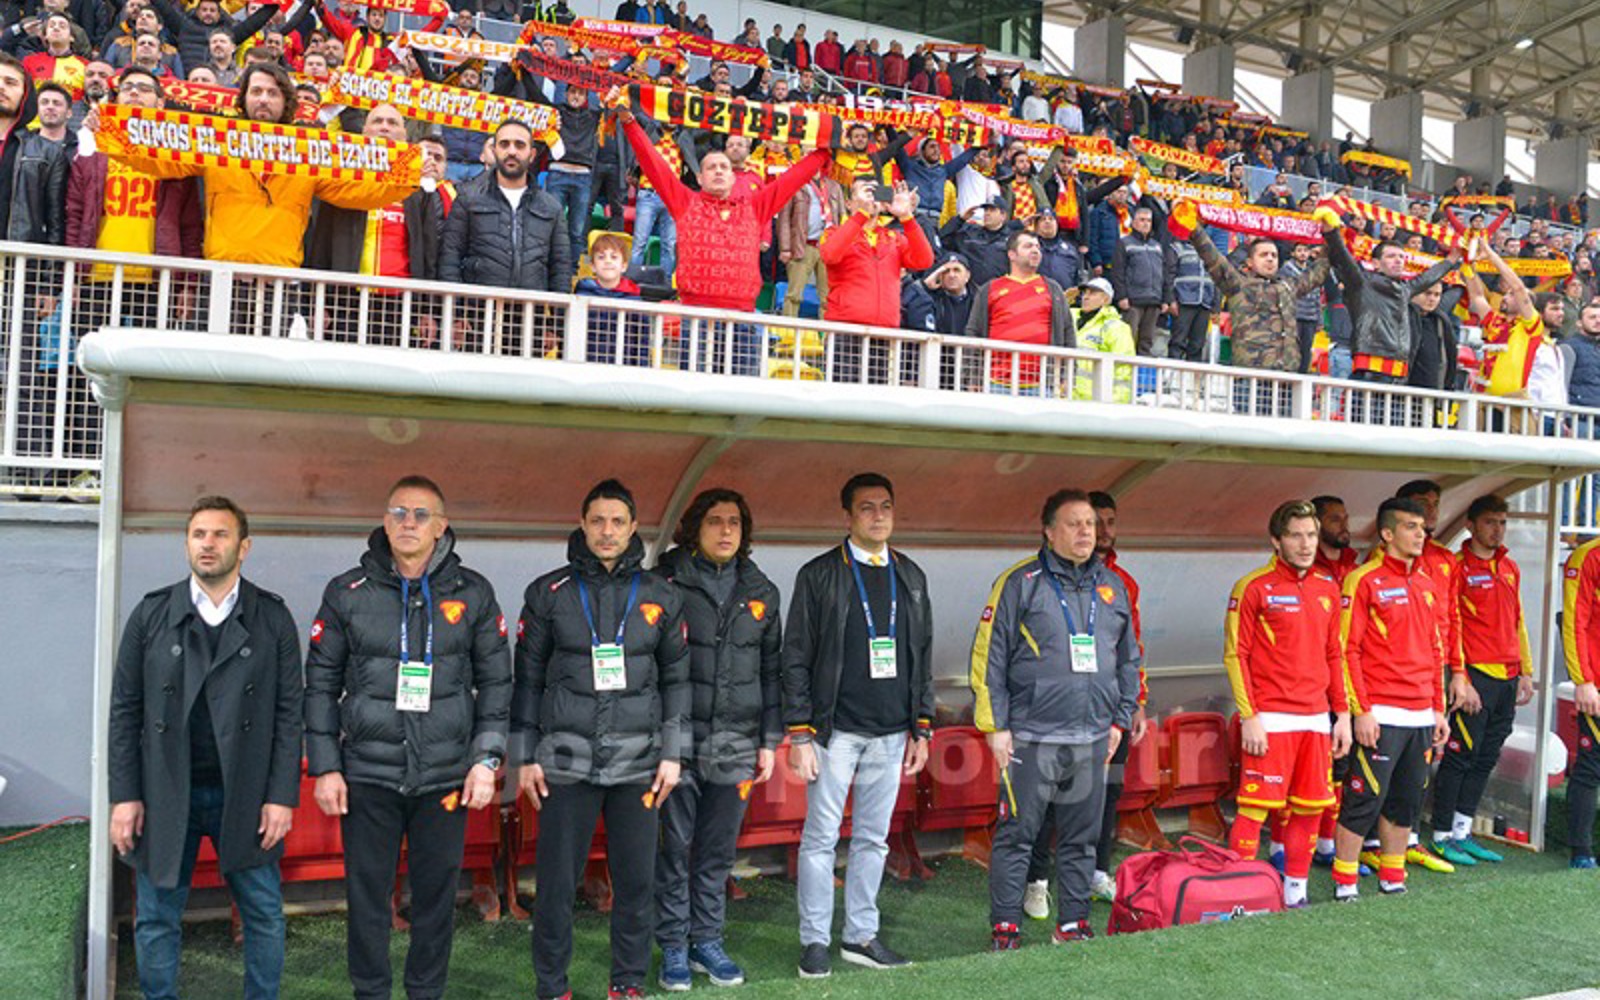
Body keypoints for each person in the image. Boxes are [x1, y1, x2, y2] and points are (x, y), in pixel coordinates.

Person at [304, 475, 511, 1000]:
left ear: (441, 526)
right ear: (384, 520)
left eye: (421, 514)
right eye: (398, 512)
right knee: (367, 897)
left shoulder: (473, 592)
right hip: (367, 775)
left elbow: (496, 683)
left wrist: (486, 759)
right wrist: (325, 766)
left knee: (436, 899)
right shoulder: (346, 592)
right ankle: (370, 992)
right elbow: (320, 684)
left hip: (444, 777)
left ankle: (425, 991)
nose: (408, 523)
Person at [108, 496, 302, 1000]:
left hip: (245, 792)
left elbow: (289, 714)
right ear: (186, 544)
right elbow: (125, 711)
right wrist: (124, 795)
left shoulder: (272, 618)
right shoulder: (152, 614)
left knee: (263, 913)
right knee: (156, 917)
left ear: (244, 546)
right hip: (165, 791)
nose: (208, 544)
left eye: (220, 534)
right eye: (198, 534)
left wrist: (281, 796)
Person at [515, 479, 690, 1000]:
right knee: (556, 884)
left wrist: (673, 753)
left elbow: (677, 680)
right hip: (565, 762)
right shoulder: (548, 593)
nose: (607, 531)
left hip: (639, 764)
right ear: (582, 524)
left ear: (633, 527)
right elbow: (527, 679)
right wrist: (524, 755)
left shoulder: (661, 594)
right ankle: (552, 985)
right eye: (597, 521)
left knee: (636, 882)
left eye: (617, 521)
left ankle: (628, 982)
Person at [972, 488, 1140, 949]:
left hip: (1092, 736)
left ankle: (1073, 924)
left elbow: (1129, 660)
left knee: (1082, 839)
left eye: (1090, 523)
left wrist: (1119, 721)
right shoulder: (1020, 583)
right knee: (1017, 836)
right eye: (1074, 523)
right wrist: (995, 727)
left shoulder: (1113, 586)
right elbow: (989, 657)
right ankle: (1006, 927)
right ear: (1048, 531)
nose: (1086, 531)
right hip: (1031, 736)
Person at [784, 472, 933, 978]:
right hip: (836, 732)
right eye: (866, 508)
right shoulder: (819, 574)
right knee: (820, 838)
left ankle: (860, 936)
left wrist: (922, 726)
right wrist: (800, 732)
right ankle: (814, 941)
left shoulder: (911, 576)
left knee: (874, 839)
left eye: (885, 506)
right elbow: (796, 655)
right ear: (847, 516)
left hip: (892, 733)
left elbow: (922, 653)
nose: (878, 516)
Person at [652, 488, 782, 991]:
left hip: (737, 742)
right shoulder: (665, 583)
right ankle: (673, 946)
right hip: (679, 744)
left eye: (734, 522)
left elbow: (771, 672)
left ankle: (706, 940)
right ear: (694, 529)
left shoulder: (762, 590)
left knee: (716, 851)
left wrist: (768, 739)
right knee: (675, 849)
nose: (726, 531)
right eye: (714, 521)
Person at [102, 62, 416, 268]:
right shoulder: (216, 141)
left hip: (279, 279)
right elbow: (160, 161)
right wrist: (110, 134)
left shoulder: (309, 151)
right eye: (256, 91)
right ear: (243, 99)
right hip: (222, 276)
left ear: (287, 101)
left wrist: (408, 178)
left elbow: (356, 193)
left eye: (272, 93)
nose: (263, 99)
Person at [1223, 500, 1351, 908]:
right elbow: (1236, 655)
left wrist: (1342, 715)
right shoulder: (1253, 587)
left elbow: (1335, 654)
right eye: (1296, 535)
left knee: (1310, 809)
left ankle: (1296, 893)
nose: (1306, 544)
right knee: (1255, 808)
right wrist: (1250, 716)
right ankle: (1238, 897)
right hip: (1271, 719)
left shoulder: (1327, 587)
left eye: (1311, 535)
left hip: (1316, 719)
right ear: (1276, 541)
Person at [1330, 497, 1448, 901]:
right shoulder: (1363, 580)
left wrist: (1437, 709)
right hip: (1380, 713)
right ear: (1387, 533)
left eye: (1422, 527)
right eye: (1411, 527)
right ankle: (1345, 882)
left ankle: (1392, 879)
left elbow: (1436, 651)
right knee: (1363, 799)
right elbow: (1347, 649)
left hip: (1421, 715)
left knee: (1406, 803)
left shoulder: (1427, 585)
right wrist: (1361, 711)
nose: (1420, 534)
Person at [1428, 493, 1533, 866]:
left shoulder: (1510, 566)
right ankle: (1441, 835)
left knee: (1486, 757)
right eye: (1490, 522)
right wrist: (1462, 677)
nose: (1498, 529)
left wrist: (1526, 671)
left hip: (1508, 677)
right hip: (1475, 676)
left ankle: (1462, 831)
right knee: (1460, 756)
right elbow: (1450, 624)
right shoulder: (1456, 567)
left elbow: (1518, 620)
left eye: (1502, 522)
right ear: (1470, 525)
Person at [1170, 203, 1329, 373]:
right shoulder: (1238, 284)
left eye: (1274, 255)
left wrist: (1331, 235)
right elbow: (1211, 256)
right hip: (1250, 375)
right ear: (1249, 262)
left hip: (1286, 374)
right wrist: (1193, 226)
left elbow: (1320, 270)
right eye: (1264, 255)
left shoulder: (1288, 286)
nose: (1270, 259)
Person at [1316, 202, 1459, 384]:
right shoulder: (1361, 283)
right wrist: (1330, 232)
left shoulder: (1405, 289)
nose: (1398, 261)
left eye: (1401, 257)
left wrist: (1452, 259)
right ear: (1375, 263)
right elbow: (1342, 257)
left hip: (1398, 373)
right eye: (1391, 256)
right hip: (1370, 370)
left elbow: (1428, 278)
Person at [439, 119, 573, 292]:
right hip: (477, 307)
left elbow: (561, 269)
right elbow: (450, 258)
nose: (512, 151)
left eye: (520, 145)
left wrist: (557, 310)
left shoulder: (551, 208)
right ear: (494, 151)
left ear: (532, 155)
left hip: (531, 307)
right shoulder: (468, 199)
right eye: (504, 144)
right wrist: (456, 306)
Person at [820, 178, 933, 381]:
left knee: (875, 398)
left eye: (875, 192)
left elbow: (924, 260)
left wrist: (906, 217)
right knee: (841, 397)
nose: (871, 198)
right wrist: (861, 214)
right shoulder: (834, 232)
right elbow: (830, 255)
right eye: (865, 192)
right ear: (849, 203)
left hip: (882, 334)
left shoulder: (893, 237)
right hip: (844, 330)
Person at [964, 231, 1075, 394]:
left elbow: (1068, 331)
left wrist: (1068, 374)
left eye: (1037, 247)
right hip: (995, 382)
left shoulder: (1053, 289)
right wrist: (972, 376)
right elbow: (973, 331)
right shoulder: (990, 289)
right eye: (1028, 246)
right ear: (1012, 255)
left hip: (1042, 384)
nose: (1035, 250)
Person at [1561, 532, 1600, 868]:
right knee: (1591, 766)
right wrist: (1583, 681)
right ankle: (1581, 850)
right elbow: (1574, 621)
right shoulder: (1588, 557)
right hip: (1596, 683)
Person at [1110, 206, 1174, 356]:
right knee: (1128, 339)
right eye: (1142, 220)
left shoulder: (1157, 246)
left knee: (1147, 342)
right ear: (1134, 223)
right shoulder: (1124, 243)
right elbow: (1118, 272)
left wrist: (1166, 299)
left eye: (1149, 221)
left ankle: (1142, 371)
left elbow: (1164, 274)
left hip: (1154, 300)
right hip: (1133, 300)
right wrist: (1121, 296)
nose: (1145, 224)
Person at [1067, 278, 1135, 402]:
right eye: (1085, 293)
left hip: (1094, 400)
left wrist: (1116, 403)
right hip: (1064, 397)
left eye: (1092, 293)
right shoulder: (1070, 315)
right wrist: (1063, 300)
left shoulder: (1117, 328)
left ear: (1106, 299)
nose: (1085, 297)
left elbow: (1123, 369)